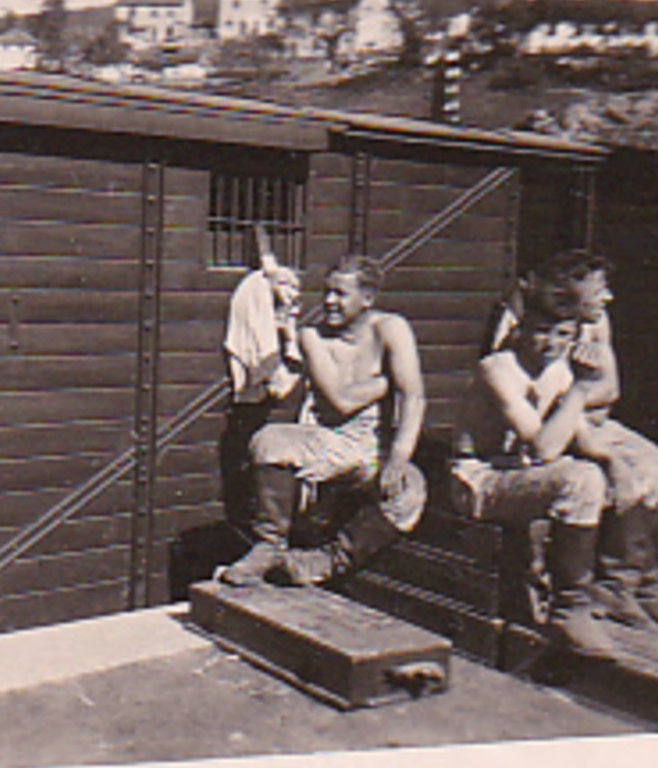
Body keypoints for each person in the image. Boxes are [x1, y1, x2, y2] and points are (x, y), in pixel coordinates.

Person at [489, 252, 658, 631]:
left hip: (592, 417)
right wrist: (572, 395)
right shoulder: (527, 322)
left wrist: (578, 391)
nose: (607, 299)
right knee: (634, 477)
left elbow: (611, 387)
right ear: (566, 294)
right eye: (598, 291)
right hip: (553, 426)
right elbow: (527, 389)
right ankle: (620, 586)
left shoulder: (596, 321)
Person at [217, 255, 427, 588]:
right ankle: (269, 546)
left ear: (367, 298)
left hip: (373, 448)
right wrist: (386, 382)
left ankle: (325, 562)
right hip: (330, 442)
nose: (329, 301)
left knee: (411, 491)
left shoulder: (391, 328)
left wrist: (399, 457)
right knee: (268, 440)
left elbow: (414, 397)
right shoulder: (312, 337)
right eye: (327, 292)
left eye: (340, 294)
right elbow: (340, 401)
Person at [452, 278, 615, 659]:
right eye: (542, 331)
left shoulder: (558, 370)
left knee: (597, 474)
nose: (552, 344)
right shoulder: (499, 368)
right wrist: (580, 391)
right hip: (477, 480)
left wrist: (621, 470)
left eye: (563, 334)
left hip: (516, 476)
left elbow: (585, 442)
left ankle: (585, 593)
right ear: (520, 329)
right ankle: (569, 609)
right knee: (582, 479)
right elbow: (542, 448)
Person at [219, 226, 304, 528]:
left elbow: (268, 261)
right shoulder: (259, 293)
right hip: (255, 399)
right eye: (292, 290)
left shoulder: (262, 288)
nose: (294, 298)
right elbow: (279, 386)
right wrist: (292, 339)